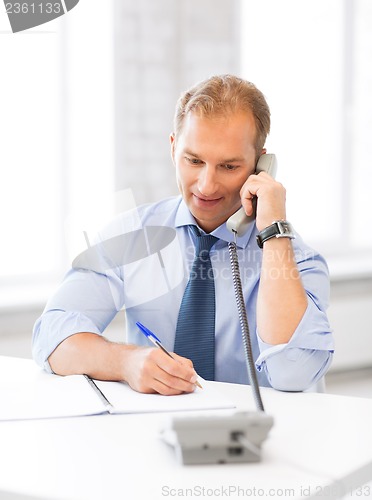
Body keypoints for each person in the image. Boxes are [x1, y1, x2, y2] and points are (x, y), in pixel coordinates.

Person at [32, 74, 334, 395]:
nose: (206, 185)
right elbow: (51, 335)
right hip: (159, 429)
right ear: (174, 147)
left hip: (265, 435)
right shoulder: (132, 235)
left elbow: (294, 374)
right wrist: (125, 361)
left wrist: (273, 230)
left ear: (261, 165)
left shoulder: (297, 259)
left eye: (229, 167)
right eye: (194, 160)